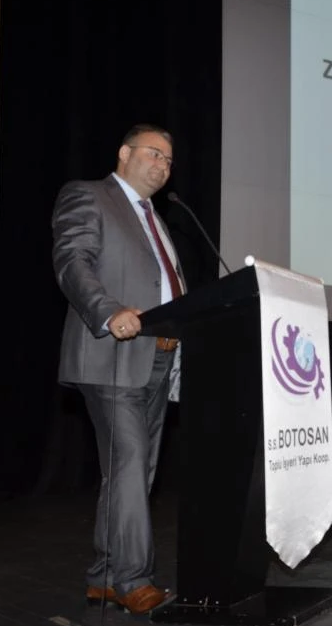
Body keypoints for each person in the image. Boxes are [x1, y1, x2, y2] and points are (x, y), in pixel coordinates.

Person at [52, 124, 183, 615]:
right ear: (125, 153)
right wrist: (108, 312)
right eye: (154, 154)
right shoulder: (88, 196)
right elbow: (72, 262)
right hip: (111, 352)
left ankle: (105, 577)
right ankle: (132, 579)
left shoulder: (156, 218)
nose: (163, 166)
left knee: (134, 471)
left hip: (158, 356)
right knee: (130, 463)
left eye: (169, 160)